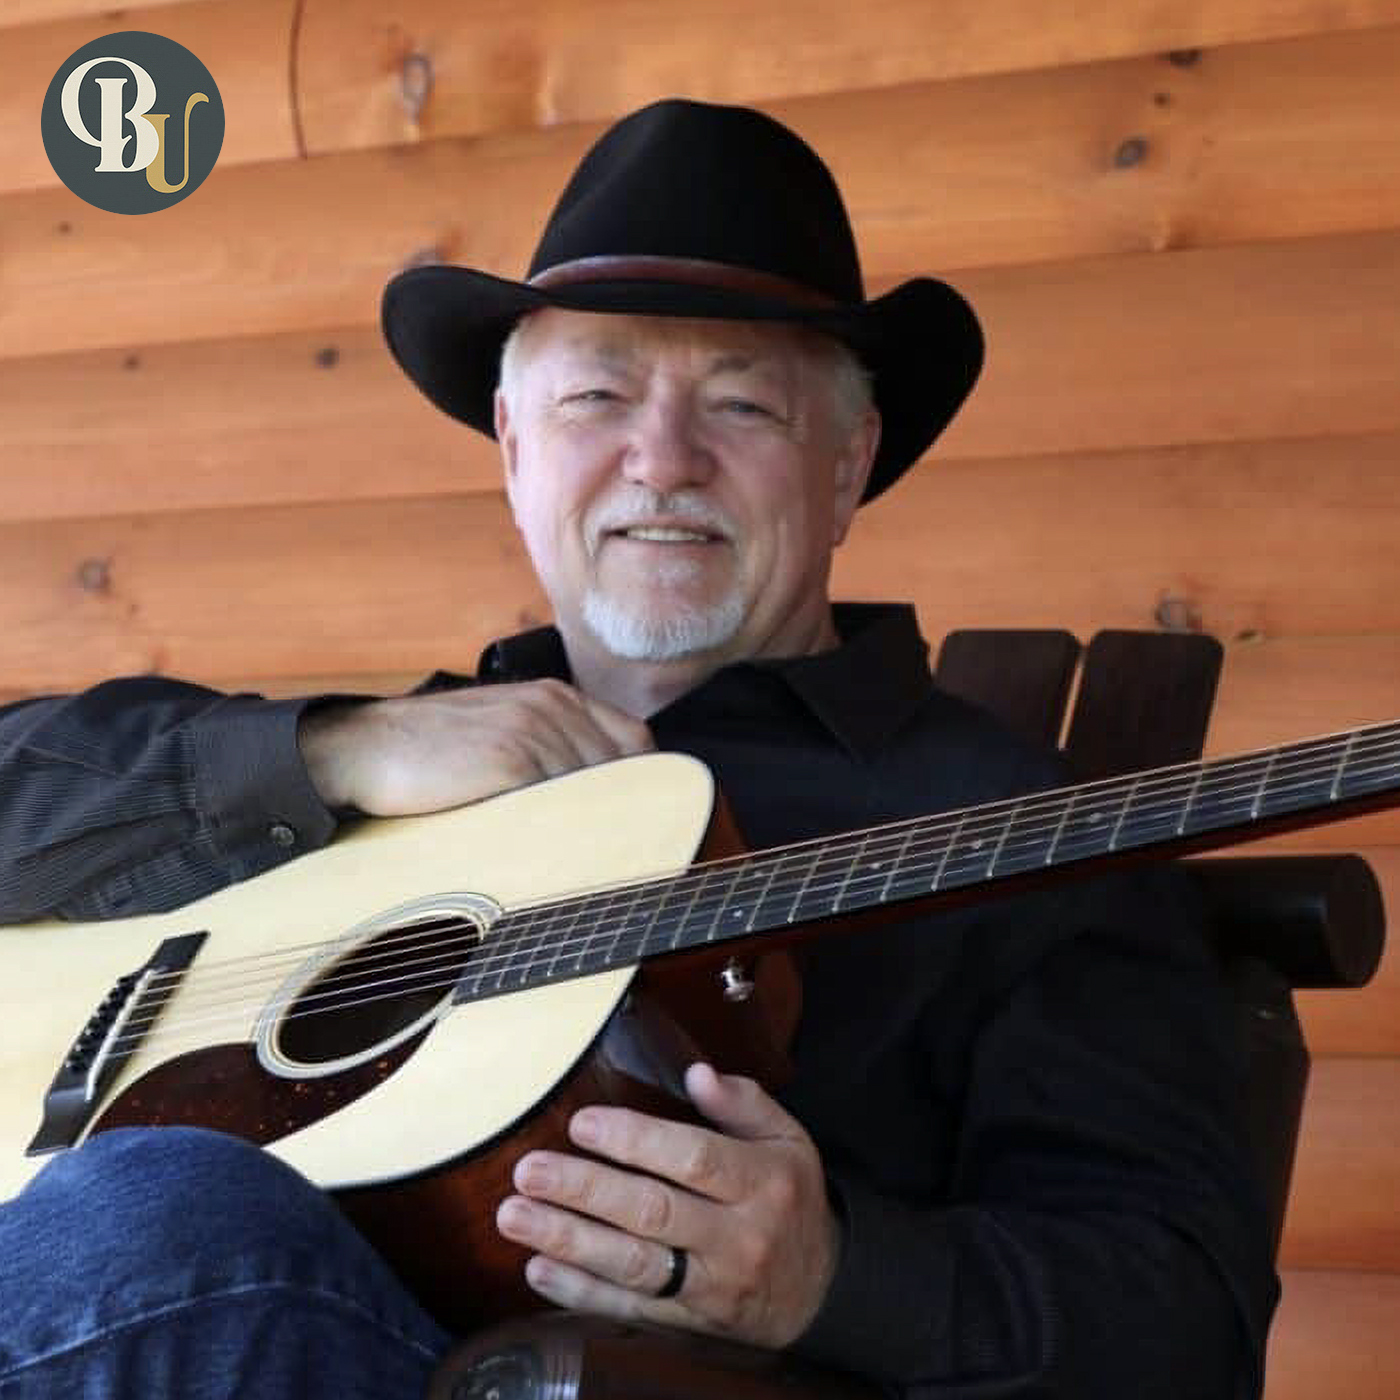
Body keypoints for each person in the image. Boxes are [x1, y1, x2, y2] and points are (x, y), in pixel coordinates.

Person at [0, 99, 1277, 1398]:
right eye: (597, 397)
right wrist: (330, 753)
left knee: (158, 1211)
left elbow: (1189, 1324)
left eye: (743, 406)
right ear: (515, 449)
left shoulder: (1024, 831)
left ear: (847, 467)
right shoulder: (397, 762)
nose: (662, 461)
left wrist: (834, 1279)